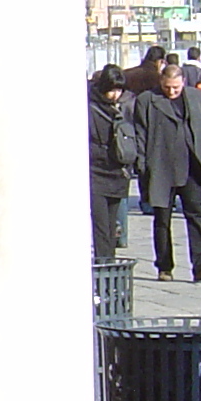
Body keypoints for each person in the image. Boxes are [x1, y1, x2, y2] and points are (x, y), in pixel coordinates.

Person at [137, 59, 201, 281]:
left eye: (176, 87)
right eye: (167, 87)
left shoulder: (195, 97)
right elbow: (141, 134)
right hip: (161, 166)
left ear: (183, 83)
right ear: (161, 82)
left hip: (191, 165)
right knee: (162, 219)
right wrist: (143, 165)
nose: (172, 92)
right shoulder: (147, 101)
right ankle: (164, 266)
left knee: (196, 216)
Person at [86, 67, 140, 262]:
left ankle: (109, 262)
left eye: (119, 90)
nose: (115, 95)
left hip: (118, 171)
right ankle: (104, 263)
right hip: (97, 172)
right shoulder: (89, 107)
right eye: (112, 90)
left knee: (111, 225)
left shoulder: (127, 105)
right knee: (101, 225)